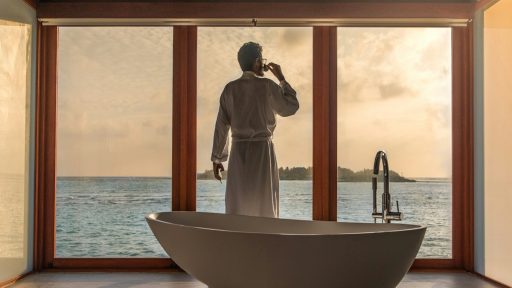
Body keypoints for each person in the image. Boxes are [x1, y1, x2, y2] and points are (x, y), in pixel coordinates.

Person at [210, 41, 299, 218]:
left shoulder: (230, 89)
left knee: (238, 204)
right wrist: (281, 78)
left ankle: (239, 242)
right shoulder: (267, 86)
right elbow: (291, 107)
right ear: (258, 61)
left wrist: (217, 158)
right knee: (264, 202)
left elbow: (222, 125)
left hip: (238, 154)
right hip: (262, 152)